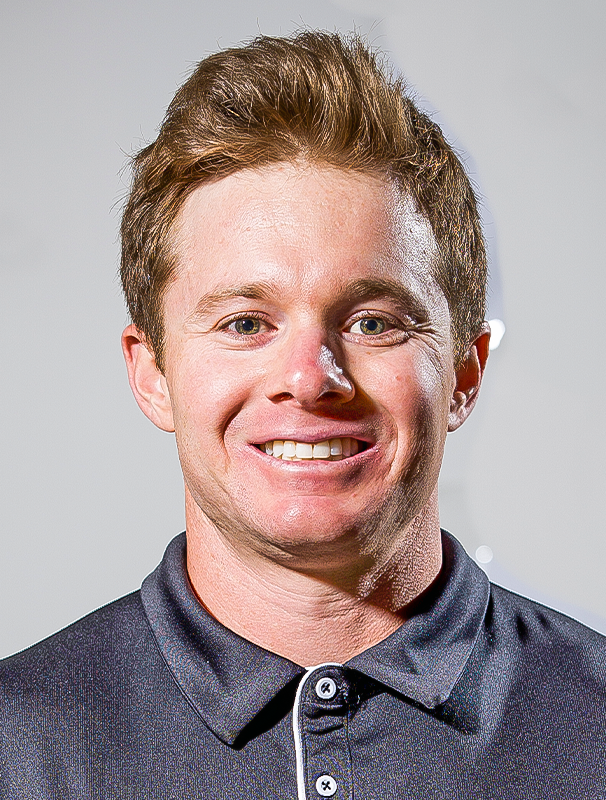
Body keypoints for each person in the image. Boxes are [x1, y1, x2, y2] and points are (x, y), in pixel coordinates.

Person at [1, 30, 605, 800]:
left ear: (464, 371)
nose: (309, 379)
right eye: (246, 323)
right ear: (151, 373)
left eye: (374, 322)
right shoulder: (16, 747)